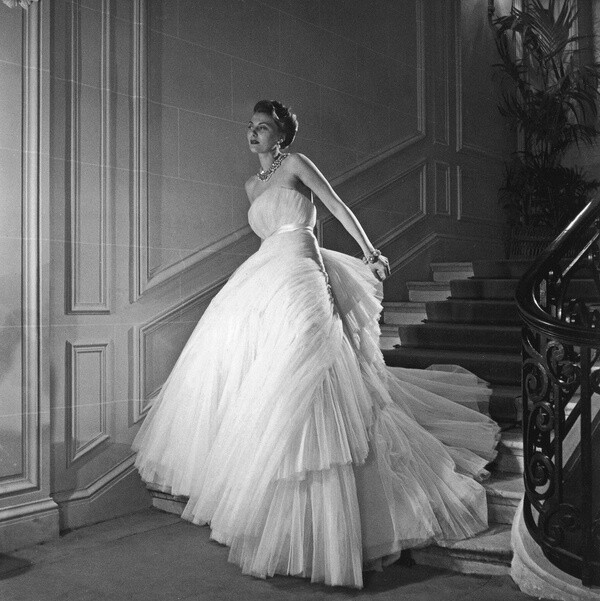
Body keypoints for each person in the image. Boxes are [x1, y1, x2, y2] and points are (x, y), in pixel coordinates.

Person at [133, 100, 500, 589]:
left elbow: (336, 205)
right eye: (251, 126)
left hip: (303, 270)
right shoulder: (251, 186)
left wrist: (369, 250)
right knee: (261, 372)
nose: (253, 133)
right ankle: (276, 513)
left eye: (263, 127)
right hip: (265, 274)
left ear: (281, 134)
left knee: (312, 364)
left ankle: (334, 518)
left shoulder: (297, 165)